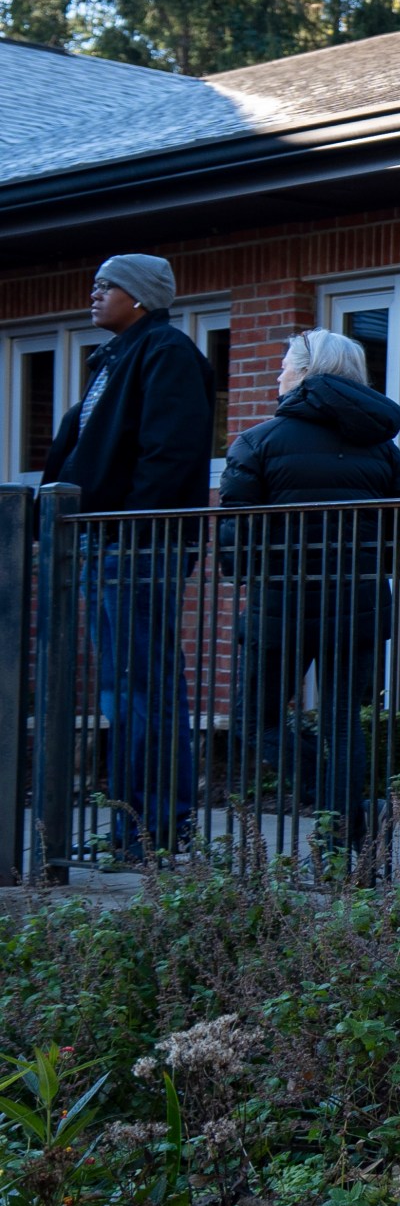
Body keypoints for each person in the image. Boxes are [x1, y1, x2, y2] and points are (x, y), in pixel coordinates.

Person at [220, 329, 400, 855]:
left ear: (308, 374)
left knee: (252, 719)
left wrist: (243, 566)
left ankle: (343, 812)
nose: (278, 375)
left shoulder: (258, 442)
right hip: (356, 604)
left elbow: (233, 540)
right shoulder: (383, 450)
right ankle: (341, 840)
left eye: (286, 365)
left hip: (279, 605)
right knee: (341, 724)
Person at [44, 254, 214, 857]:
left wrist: (128, 529)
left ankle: (157, 829)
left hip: (136, 546)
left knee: (145, 689)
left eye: (106, 285)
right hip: (108, 545)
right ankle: (131, 830)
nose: (93, 293)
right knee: (125, 690)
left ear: (139, 297)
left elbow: (170, 451)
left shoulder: (164, 352)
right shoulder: (114, 358)